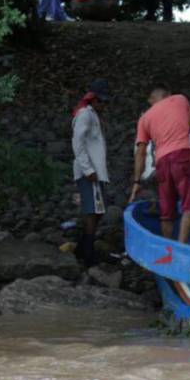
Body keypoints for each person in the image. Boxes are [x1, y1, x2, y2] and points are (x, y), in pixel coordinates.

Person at [130, 86, 190, 243]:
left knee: (166, 209)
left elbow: (140, 153)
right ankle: (181, 248)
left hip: (162, 162)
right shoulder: (180, 98)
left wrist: (136, 182)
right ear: (168, 95)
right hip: (183, 155)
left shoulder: (144, 118)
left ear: (151, 100)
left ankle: (168, 249)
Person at [71, 78, 112, 267]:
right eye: (100, 101)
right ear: (92, 99)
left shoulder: (93, 115)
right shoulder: (85, 115)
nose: (103, 105)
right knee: (93, 210)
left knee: (97, 210)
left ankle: (83, 247)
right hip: (90, 171)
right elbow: (77, 143)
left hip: (96, 171)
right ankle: (87, 252)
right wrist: (88, 169)